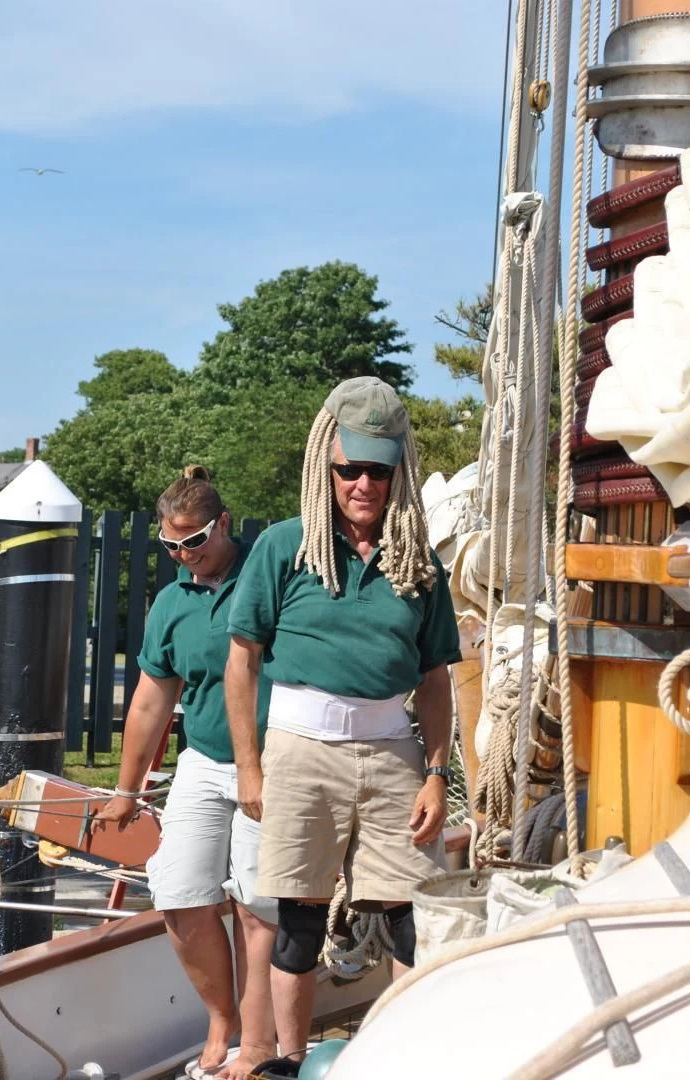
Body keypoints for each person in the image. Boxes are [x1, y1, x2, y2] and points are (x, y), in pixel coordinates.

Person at [223, 376, 460, 1071]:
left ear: (397, 473)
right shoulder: (283, 548)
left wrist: (437, 773)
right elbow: (242, 661)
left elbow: (436, 678)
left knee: (406, 919)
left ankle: (407, 1060)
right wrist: (248, 767)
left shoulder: (417, 561)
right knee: (297, 926)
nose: (362, 484)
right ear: (324, 467)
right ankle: (290, 1063)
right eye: (348, 469)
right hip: (300, 750)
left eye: (377, 471)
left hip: (392, 753)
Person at [94, 466, 277, 1080]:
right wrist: (126, 791)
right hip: (202, 759)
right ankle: (221, 1016)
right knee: (177, 893)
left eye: (194, 542)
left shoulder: (269, 571)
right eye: (171, 546)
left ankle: (257, 1044)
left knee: (256, 906)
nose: (183, 556)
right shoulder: (172, 602)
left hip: (273, 760)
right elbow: (150, 704)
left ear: (223, 523)